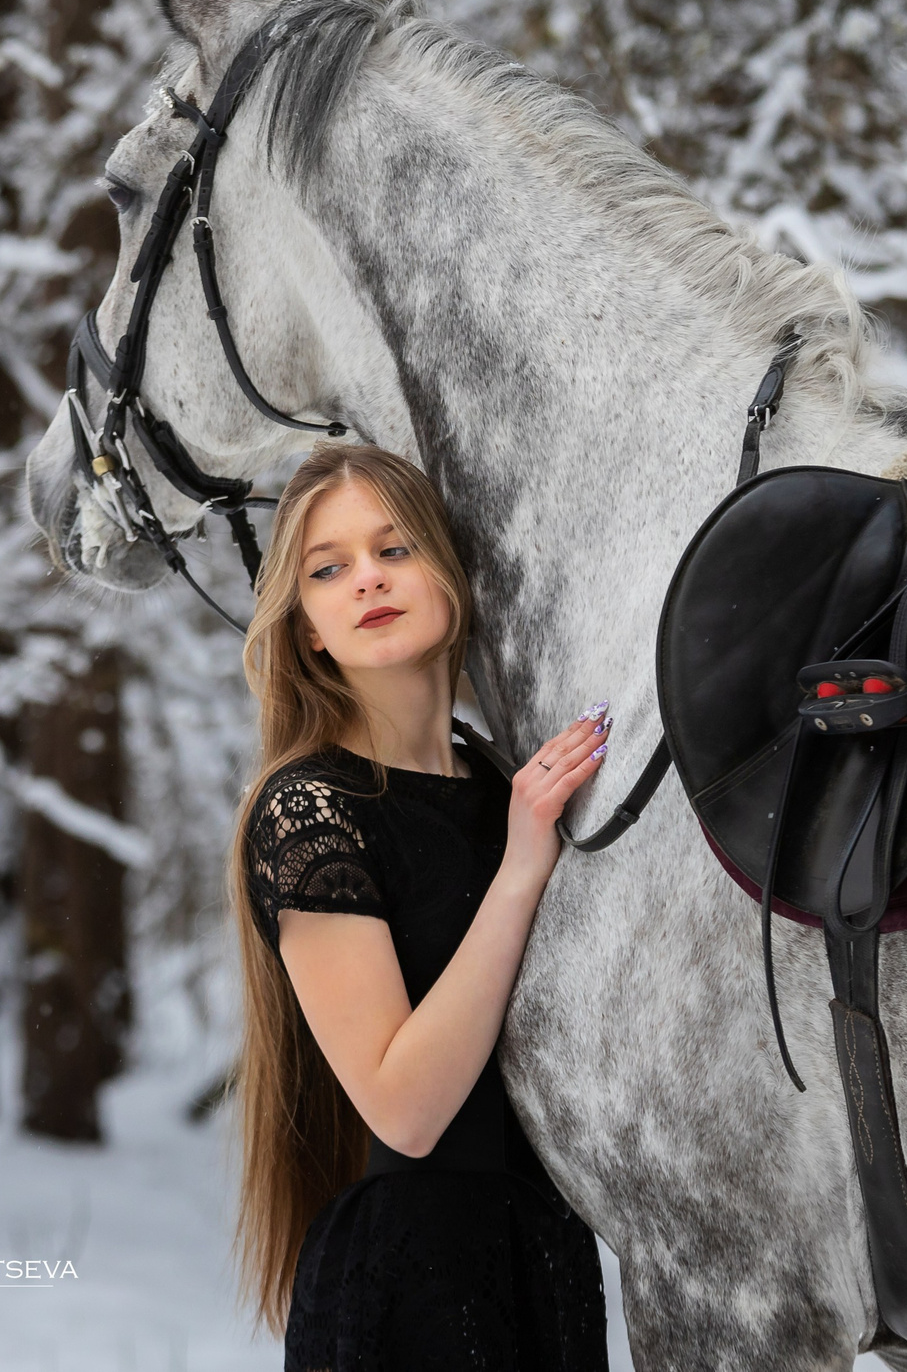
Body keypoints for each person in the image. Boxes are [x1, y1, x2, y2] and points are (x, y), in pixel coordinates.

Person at [227, 441, 612, 1372]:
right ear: (309, 626)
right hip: (410, 1287)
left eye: (394, 549)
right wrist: (523, 867)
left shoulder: (500, 783)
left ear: (450, 573)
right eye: (329, 568)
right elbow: (403, 1106)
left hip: (547, 1258)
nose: (366, 579)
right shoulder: (308, 811)